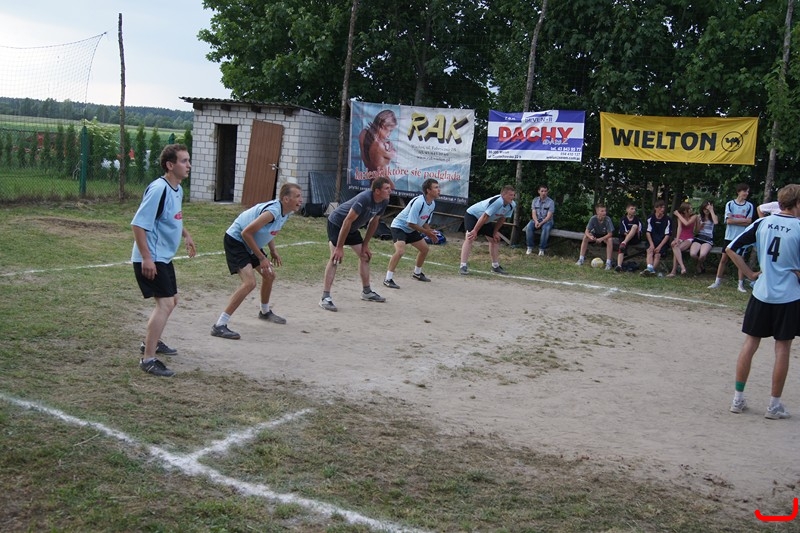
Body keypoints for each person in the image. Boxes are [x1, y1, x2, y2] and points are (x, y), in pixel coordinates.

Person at [727, 184, 800, 420]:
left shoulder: (762, 223)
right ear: (797, 203)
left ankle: (737, 399)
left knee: (750, 343)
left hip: (762, 292)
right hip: (788, 296)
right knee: (782, 348)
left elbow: (731, 248)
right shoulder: (799, 227)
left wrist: (750, 274)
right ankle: (774, 405)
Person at [131, 144, 196, 377]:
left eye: (188, 160)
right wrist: (147, 258)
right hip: (152, 257)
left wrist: (186, 234)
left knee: (172, 300)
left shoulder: (177, 189)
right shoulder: (159, 189)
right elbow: (138, 225)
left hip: (163, 257)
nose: (188, 165)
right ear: (170, 165)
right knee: (165, 304)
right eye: (184, 161)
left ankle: (153, 341)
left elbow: (172, 218)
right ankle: (148, 359)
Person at [210, 183, 304, 340]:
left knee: (269, 275)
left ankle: (264, 312)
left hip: (250, 242)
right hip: (236, 240)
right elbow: (245, 233)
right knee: (249, 283)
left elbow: (269, 231)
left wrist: (272, 250)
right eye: (297, 196)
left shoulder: (286, 212)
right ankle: (219, 325)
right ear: (286, 199)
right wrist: (261, 257)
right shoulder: (273, 211)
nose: (301, 200)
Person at [320, 177, 393, 312]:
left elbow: (374, 222)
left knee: (365, 256)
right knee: (335, 258)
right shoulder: (365, 198)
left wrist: (365, 245)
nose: (390, 191)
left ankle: (367, 292)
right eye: (387, 188)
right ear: (377, 191)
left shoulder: (384, 201)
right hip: (337, 224)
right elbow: (347, 221)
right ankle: (325, 297)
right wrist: (339, 247)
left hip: (351, 228)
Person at [383, 178, 440, 289]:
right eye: (436, 187)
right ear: (428, 190)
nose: (439, 190)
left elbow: (425, 222)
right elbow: (410, 223)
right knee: (400, 251)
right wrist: (427, 233)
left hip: (411, 229)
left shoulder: (432, 204)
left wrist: (430, 232)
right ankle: (388, 279)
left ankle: (417, 273)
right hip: (399, 227)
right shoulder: (419, 202)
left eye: (438, 187)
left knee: (425, 249)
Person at [459, 185, 516, 275]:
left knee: (495, 239)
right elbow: (485, 216)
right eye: (510, 195)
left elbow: (502, 219)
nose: (513, 197)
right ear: (503, 195)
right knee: (470, 237)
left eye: (513, 195)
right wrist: (475, 231)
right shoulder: (498, 201)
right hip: (473, 215)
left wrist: (495, 232)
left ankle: (495, 266)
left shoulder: (512, 205)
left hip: (485, 220)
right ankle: (463, 266)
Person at [708, 183, 754, 292]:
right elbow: (728, 221)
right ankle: (717, 282)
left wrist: (735, 220)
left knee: (741, 260)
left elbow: (749, 221)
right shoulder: (730, 204)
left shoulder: (749, 206)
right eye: (745, 191)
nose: (746, 193)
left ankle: (740, 284)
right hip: (729, 236)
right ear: (739, 192)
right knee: (724, 259)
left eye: (748, 191)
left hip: (741, 237)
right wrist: (741, 221)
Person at [358, 109, 397, 188]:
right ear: (382, 126)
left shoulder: (364, 133)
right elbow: (394, 155)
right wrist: (390, 147)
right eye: (390, 131)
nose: (389, 134)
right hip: (383, 181)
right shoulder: (380, 146)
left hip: (372, 178)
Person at [576, 204, 614, 270]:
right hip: (595, 234)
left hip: (604, 236)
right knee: (585, 237)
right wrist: (590, 237)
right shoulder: (593, 219)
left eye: (605, 211)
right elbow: (586, 231)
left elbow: (610, 234)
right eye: (602, 211)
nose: (604, 213)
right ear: (597, 212)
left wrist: (601, 239)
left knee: (610, 240)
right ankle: (581, 259)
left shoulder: (608, 219)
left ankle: (608, 263)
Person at [640, 200, 671, 276]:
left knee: (657, 254)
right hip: (652, 240)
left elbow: (667, 235)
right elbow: (648, 232)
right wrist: (651, 244)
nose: (662, 209)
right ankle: (649, 269)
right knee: (649, 251)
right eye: (660, 207)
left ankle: (651, 270)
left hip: (662, 242)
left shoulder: (668, 220)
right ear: (655, 208)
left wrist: (660, 246)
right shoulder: (650, 218)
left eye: (663, 208)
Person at [667, 202, 698, 277]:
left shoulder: (694, 216)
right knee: (674, 245)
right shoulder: (681, 216)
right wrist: (677, 239)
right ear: (684, 210)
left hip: (689, 238)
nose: (691, 209)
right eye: (689, 208)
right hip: (681, 237)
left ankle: (674, 271)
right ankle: (682, 267)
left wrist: (678, 215)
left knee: (676, 249)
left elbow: (687, 223)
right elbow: (679, 227)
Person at [524, 184, 555, 256]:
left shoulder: (551, 202)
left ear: (547, 192)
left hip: (547, 221)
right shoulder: (535, 200)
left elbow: (549, 216)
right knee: (528, 227)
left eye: (545, 191)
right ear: (539, 191)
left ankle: (541, 249)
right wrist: (536, 221)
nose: (544, 193)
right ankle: (529, 247)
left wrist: (541, 223)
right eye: (542, 191)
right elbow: (533, 213)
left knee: (546, 229)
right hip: (537, 219)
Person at [689, 200, 717, 274]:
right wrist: (700, 227)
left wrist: (711, 210)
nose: (706, 211)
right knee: (693, 254)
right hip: (698, 237)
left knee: (702, 255)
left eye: (708, 209)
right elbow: (695, 231)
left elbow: (716, 222)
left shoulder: (713, 217)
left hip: (708, 239)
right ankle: (701, 264)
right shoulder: (698, 217)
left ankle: (698, 266)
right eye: (705, 209)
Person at [614, 203, 642, 272]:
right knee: (621, 247)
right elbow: (622, 230)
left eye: (635, 209)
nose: (634, 210)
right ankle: (619, 266)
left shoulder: (637, 220)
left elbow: (639, 231)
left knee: (634, 226)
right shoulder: (623, 219)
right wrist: (627, 233)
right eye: (632, 209)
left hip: (634, 238)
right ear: (627, 210)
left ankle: (624, 242)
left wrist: (632, 233)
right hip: (624, 236)